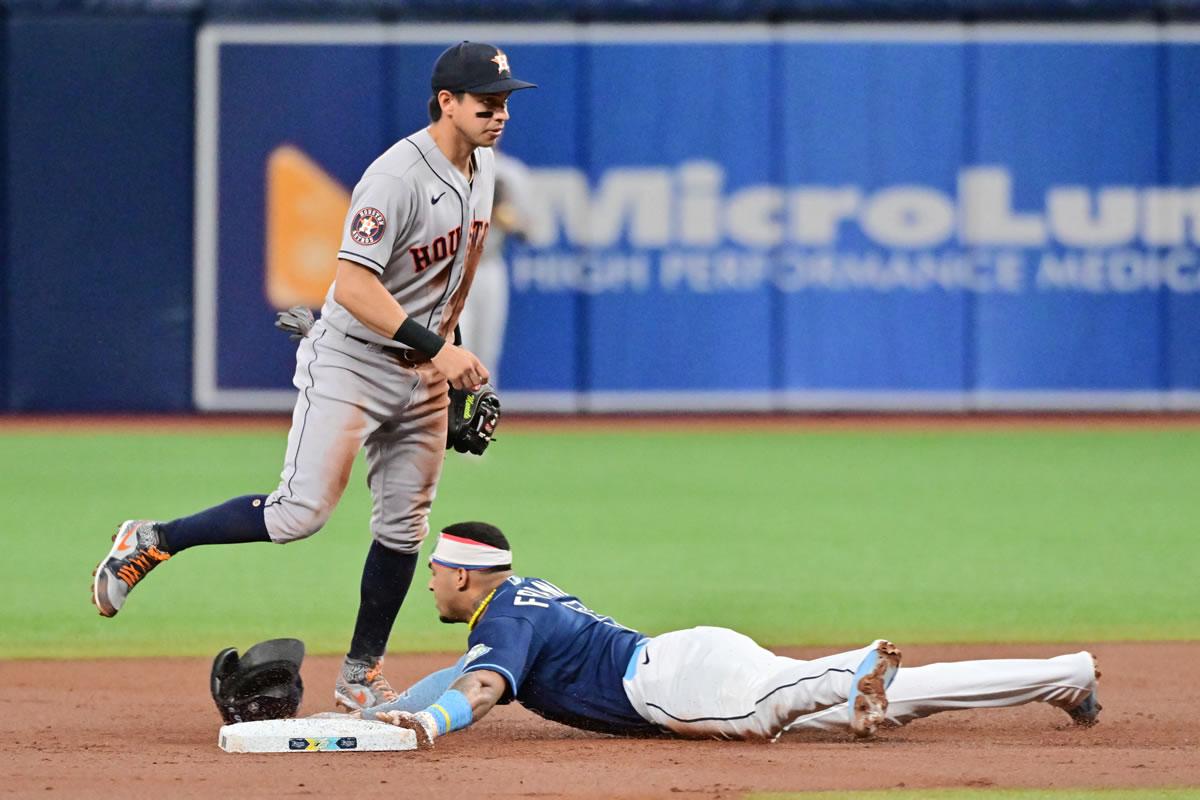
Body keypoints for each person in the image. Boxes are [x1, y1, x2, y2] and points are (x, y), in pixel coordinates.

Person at [91, 43, 537, 712]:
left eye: (504, 102)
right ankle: (153, 540)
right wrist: (438, 350)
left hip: (423, 372)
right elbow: (353, 285)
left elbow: (450, 287)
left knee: (404, 529)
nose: (499, 114)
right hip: (354, 363)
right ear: (446, 101)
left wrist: (450, 369)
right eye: (486, 102)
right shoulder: (395, 178)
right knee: (299, 514)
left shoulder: (484, 167)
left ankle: (361, 677)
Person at [362, 523, 1102, 748]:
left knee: (761, 715)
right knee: (909, 697)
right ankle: (1063, 675)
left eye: (436, 572)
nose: (429, 583)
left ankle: (853, 671)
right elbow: (463, 675)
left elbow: (480, 688)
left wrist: (428, 725)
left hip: (668, 683)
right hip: (688, 658)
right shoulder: (521, 598)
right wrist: (385, 714)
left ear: (466, 576)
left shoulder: (505, 619)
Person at [456, 150, 533, 388]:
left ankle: (483, 409)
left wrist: (506, 216)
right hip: (453, 267)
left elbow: (529, 230)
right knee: (459, 346)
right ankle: (452, 409)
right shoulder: (445, 166)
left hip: (488, 266)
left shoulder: (509, 172)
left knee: (487, 351)